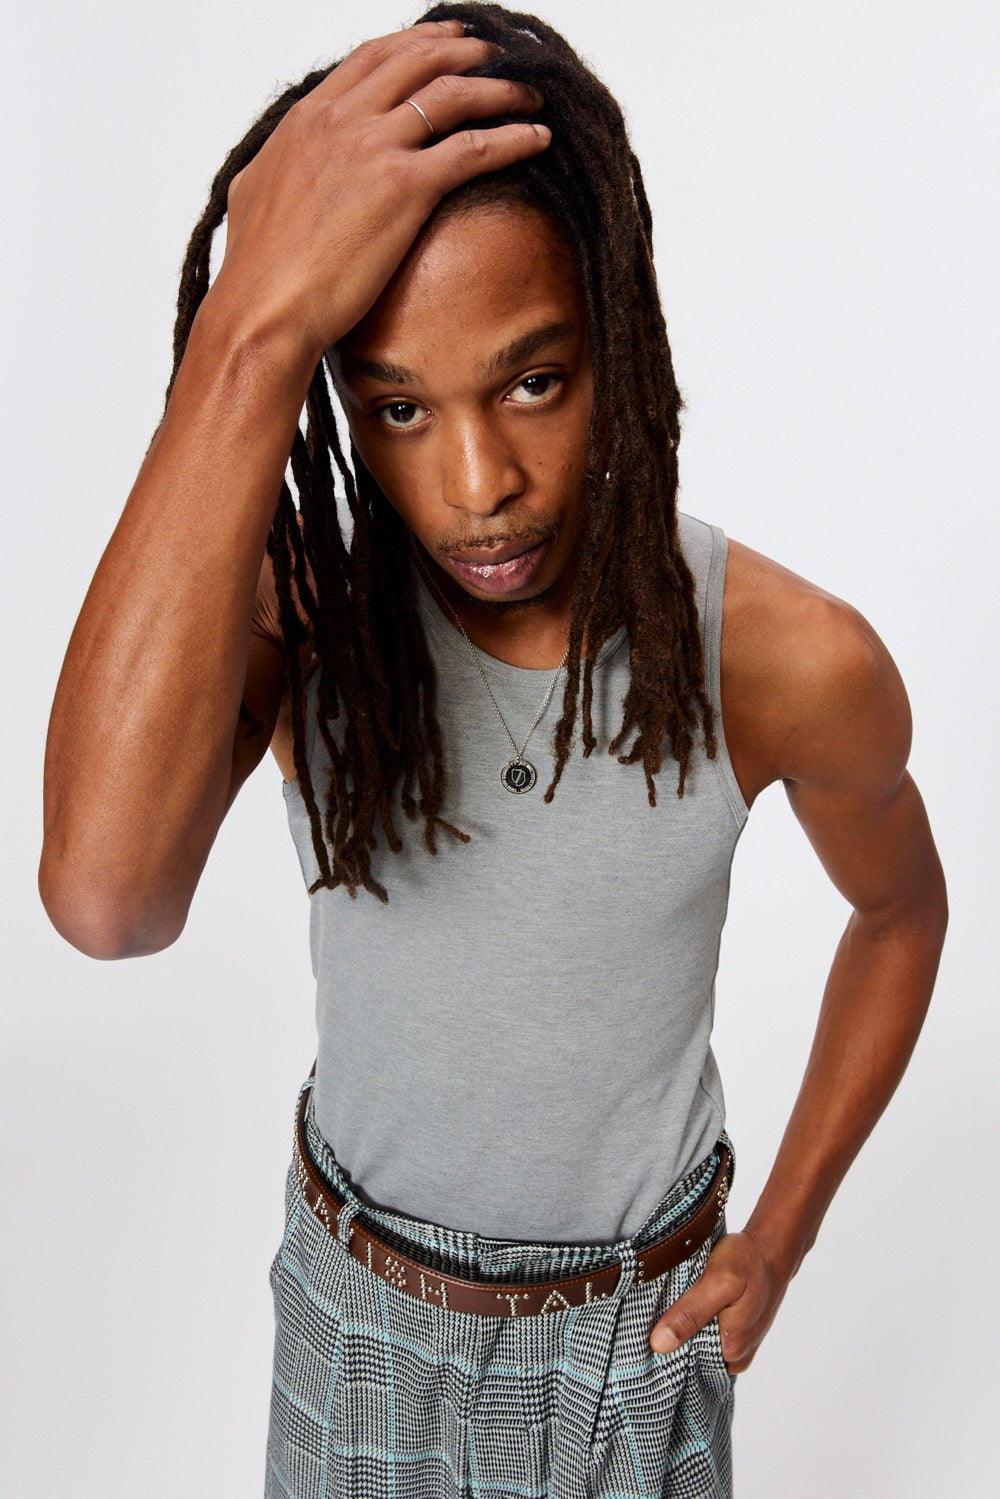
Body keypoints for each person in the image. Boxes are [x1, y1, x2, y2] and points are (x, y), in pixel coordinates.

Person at [39, 4, 947, 1496]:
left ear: (618, 336)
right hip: (358, 1323)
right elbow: (103, 901)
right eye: (396, 406)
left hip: (633, 1346)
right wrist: (251, 321)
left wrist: (779, 1240)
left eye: (533, 380)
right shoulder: (308, 616)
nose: (477, 486)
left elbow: (900, 913)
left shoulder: (788, 659)